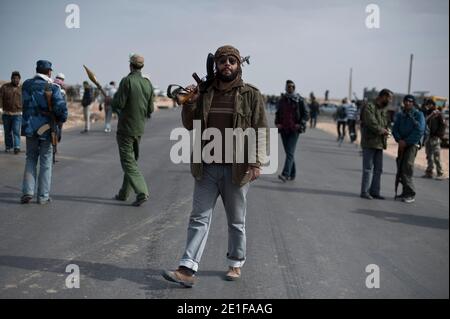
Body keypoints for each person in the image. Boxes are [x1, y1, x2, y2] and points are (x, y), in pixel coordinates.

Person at [162, 45, 268, 287]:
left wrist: (256, 162)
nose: (227, 65)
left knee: (236, 220)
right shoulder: (205, 92)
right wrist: (191, 102)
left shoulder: (251, 94)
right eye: (222, 61)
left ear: (239, 65)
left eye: (232, 61)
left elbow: (261, 129)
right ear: (216, 65)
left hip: (237, 168)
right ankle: (187, 269)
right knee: (199, 218)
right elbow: (190, 125)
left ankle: (236, 263)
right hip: (207, 167)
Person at [20, 60, 68, 204]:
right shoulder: (53, 87)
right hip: (47, 129)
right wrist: (61, 119)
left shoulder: (26, 84)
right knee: (46, 162)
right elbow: (61, 109)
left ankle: (28, 192)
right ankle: (43, 196)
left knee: (30, 159)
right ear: (49, 72)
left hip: (29, 128)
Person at [111, 54, 154, 207]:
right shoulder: (148, 84)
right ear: (141, 66)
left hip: (125, 129)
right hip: (139, 129)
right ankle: (124, 193)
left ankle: (142, 192)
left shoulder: (127, 81)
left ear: (130, 65)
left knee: (128, 162)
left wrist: (113, 101)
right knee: (132, 160)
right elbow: (150, 109)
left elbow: (119, 103)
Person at [360, 89, 393, 200]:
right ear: (383, 96)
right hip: (369, 142)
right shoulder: (369, 106)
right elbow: (370, 122)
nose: (390, 100)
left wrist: (387, 130)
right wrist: (381, 130)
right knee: (368, 168)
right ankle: (365, 192)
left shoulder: (384, 109)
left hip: (380, 143)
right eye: (389, 98)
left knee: (378, 169)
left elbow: (386, 123)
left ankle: (375, 192)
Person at [392, 95, 426, 203]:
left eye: (410, 101)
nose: (407, 103)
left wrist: (406, 142)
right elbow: (395, 129)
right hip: (401, 144)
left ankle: (411, 194)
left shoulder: (418, 115)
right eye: (405, 101)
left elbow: (420, 131)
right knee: (400, 167)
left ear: (413, 103)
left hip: (412, 145)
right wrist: (399, 140)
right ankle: (405, 192)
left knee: (407, 167)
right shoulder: (401, 115)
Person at [275, 80, 309, 182]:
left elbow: (306, 114)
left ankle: (285, 174)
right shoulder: (282, 100)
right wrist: (277, 123)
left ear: (294, 88)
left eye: (291, 86)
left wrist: (300, 124)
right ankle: (292, 173)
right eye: (288, 86)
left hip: (294, 130)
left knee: (289, 152)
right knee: (289, 152)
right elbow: (278, 112)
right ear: (285, 88)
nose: (290, 88)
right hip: (284, 129)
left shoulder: (300, 100)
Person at [422, 99, 446, 180]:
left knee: (436, 156)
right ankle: (429, 172)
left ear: (432, 104)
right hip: (428, 137)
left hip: (435, 138)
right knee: (429, 155)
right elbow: (424, 122)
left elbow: (443, 125)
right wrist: (431, 115)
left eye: (429, 104)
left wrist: (439, 135)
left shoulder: (439, 114)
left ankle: (440, 173)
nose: (427, 106)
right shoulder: (429, 113)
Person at [0, 71, 22, 154]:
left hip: (17, 114)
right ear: (11, 79)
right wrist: (1, 108)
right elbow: (0, 97)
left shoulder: (22, 88)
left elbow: (25, 100)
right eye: (14, 78)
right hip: (6, 113)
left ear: (19, 79)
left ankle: (17, 147)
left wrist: (24, 109)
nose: (16, 80)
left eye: (17, 78)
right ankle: (8, 146)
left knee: (16, 131)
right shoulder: (5, 87)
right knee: (7, 131)